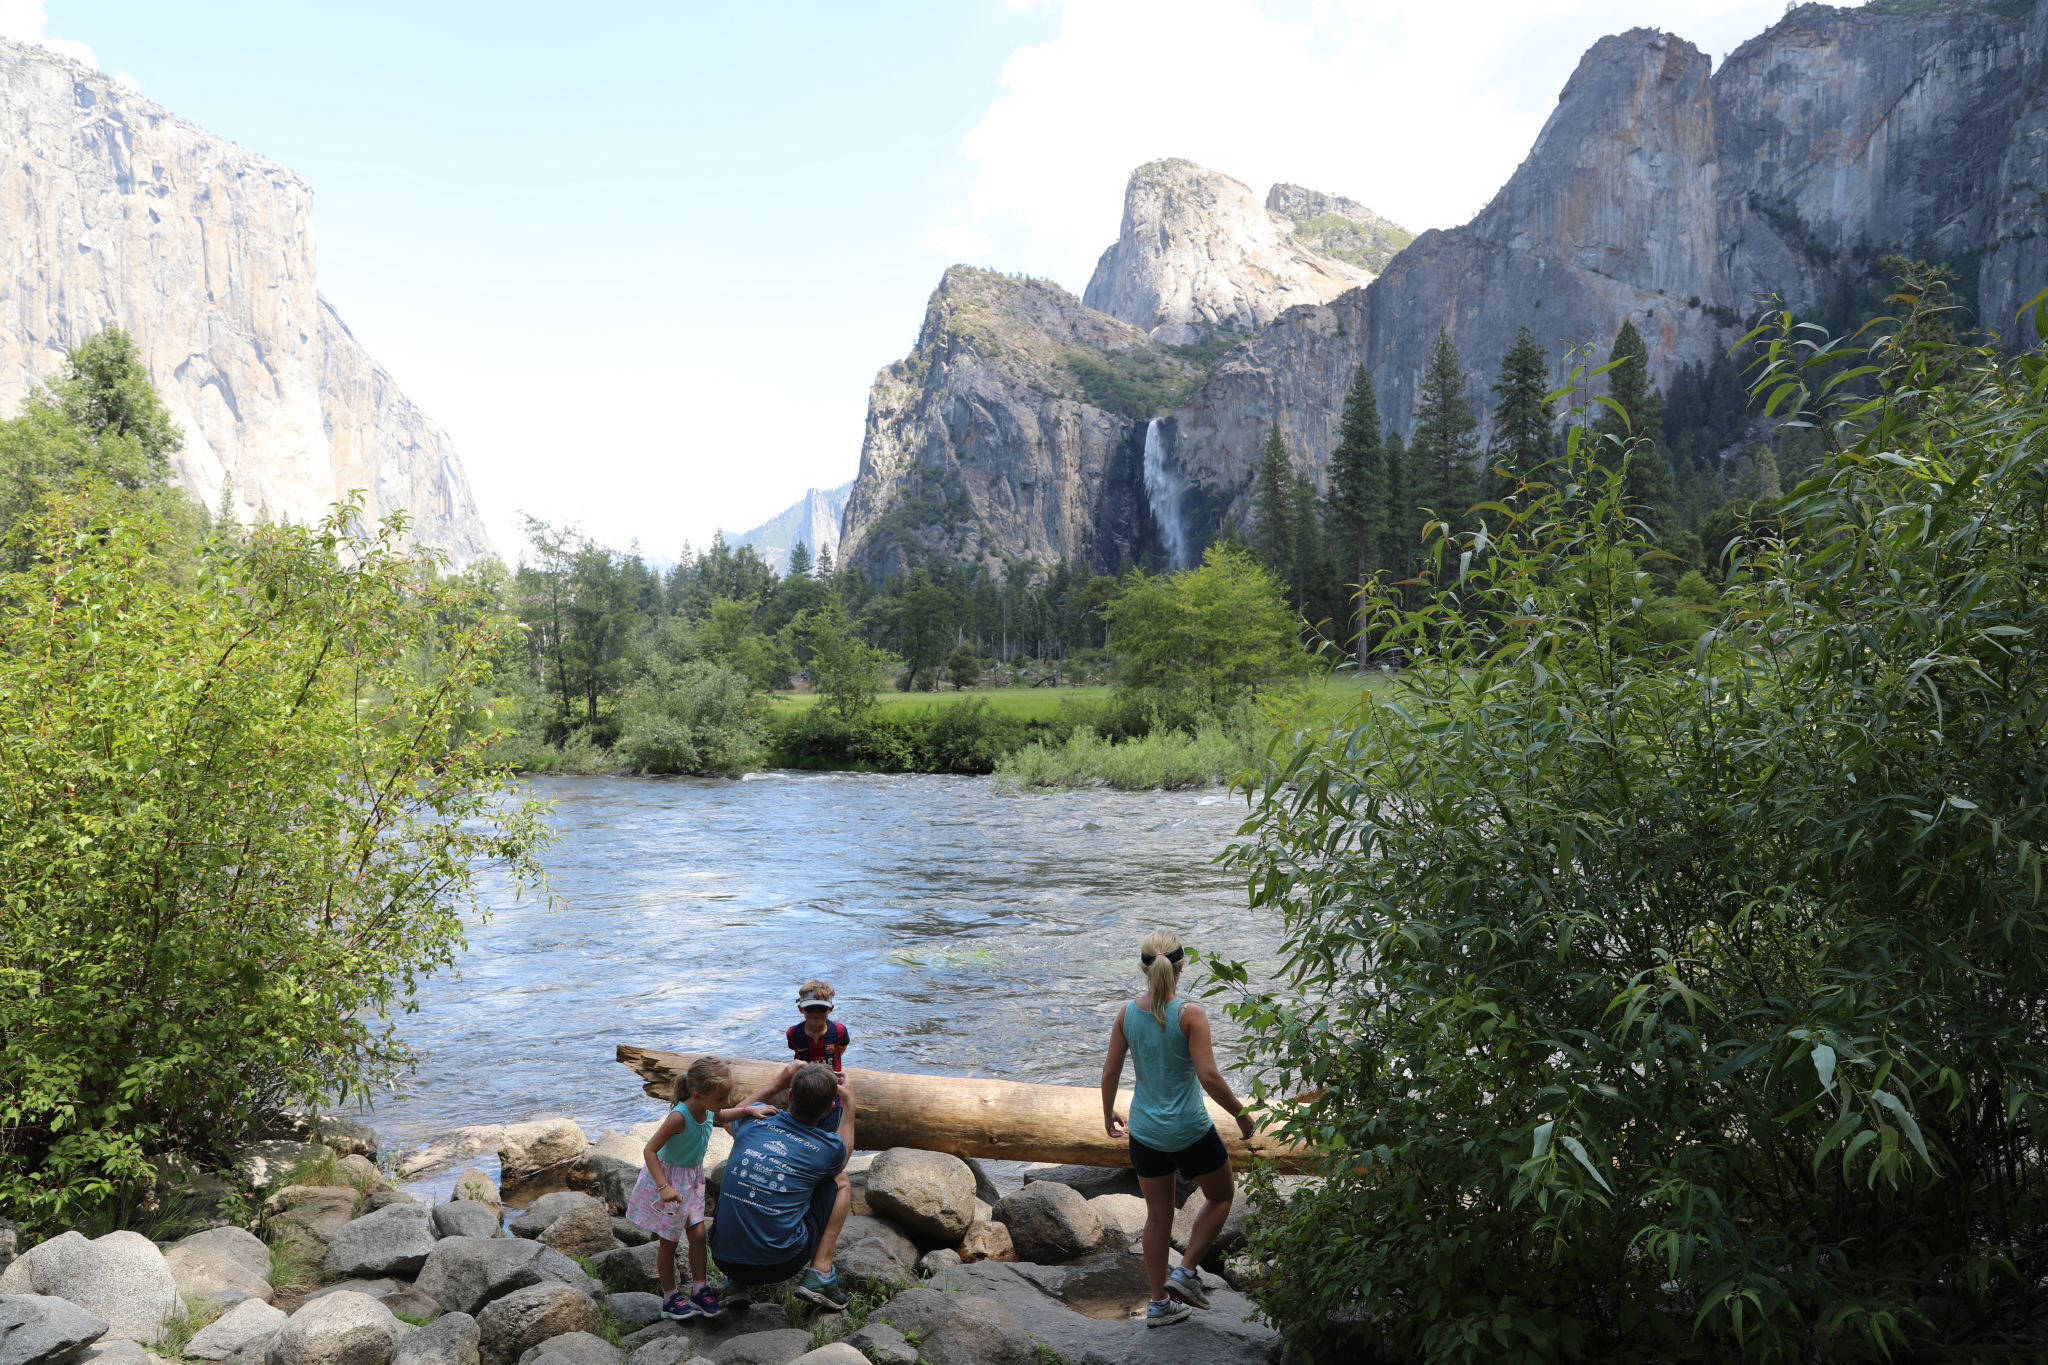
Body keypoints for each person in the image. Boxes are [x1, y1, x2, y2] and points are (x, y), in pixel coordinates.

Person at [1101, 928, 1257, 1329]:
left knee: (1158, 1217)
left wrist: (1108, 1115)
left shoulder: (1126, 1013)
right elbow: (1208, 1076)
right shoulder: (1191, 1013)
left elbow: (1110, 1073)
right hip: (1189, 1130)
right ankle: (1186, 1273)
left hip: (1147, 1134)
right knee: (1222, 1196)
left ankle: (1158, 1305)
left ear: (1142, 967)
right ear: (1182, 965)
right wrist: (1240, 1113)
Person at [625, 1055, 777, 1321]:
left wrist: (747, 1111)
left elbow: (722, 1114)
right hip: (670, 1183)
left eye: (728, 1096)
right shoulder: (678, 1117)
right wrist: (663, 1186)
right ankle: (670, 1298)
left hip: (692, 1182)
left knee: (697, 1236)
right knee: (669, 1242)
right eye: (721, 1097)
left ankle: (699, 1290)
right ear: (697, 1094)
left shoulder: (707, 1107)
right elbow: (649, 1150)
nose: (726, 1102)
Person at [710, 1059, 856, 1312]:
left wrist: (776, 1082)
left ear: (789, 1094)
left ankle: (736, 1284)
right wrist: (850, 1102)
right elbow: (842, 1158)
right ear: (830, 1108)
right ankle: (820, 1274)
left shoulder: (754, 1118)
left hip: (723, 1258)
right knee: (840, 1182)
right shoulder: (826, 1147)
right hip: (780, 1264)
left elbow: (725, 1119)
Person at [787, 979, 850, 1072]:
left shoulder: (839, 1030)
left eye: (822, 1008)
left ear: (830, 1009)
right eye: (810, 1008)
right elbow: (795, 1049)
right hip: (803, 1081)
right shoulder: (793, 1033)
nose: (816, 1012)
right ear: (801, 1009)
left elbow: (842, 1048)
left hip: (832, 1080)